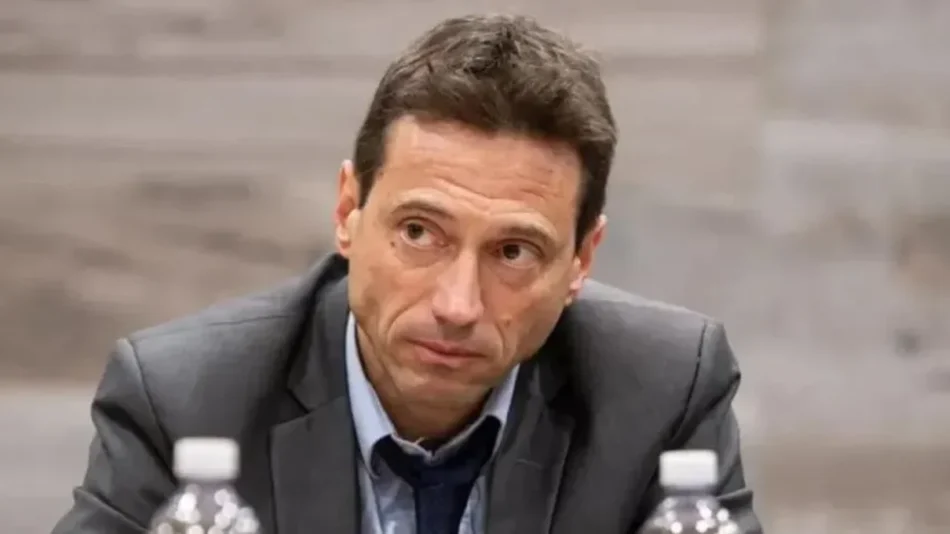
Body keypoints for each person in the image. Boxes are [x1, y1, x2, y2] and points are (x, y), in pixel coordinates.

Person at [53, 14, 762, 534]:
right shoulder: (185, 400)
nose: (457, 305)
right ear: (348, 211)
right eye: (419, 233)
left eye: (514, 251)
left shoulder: (663, 392)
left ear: (582, 259)